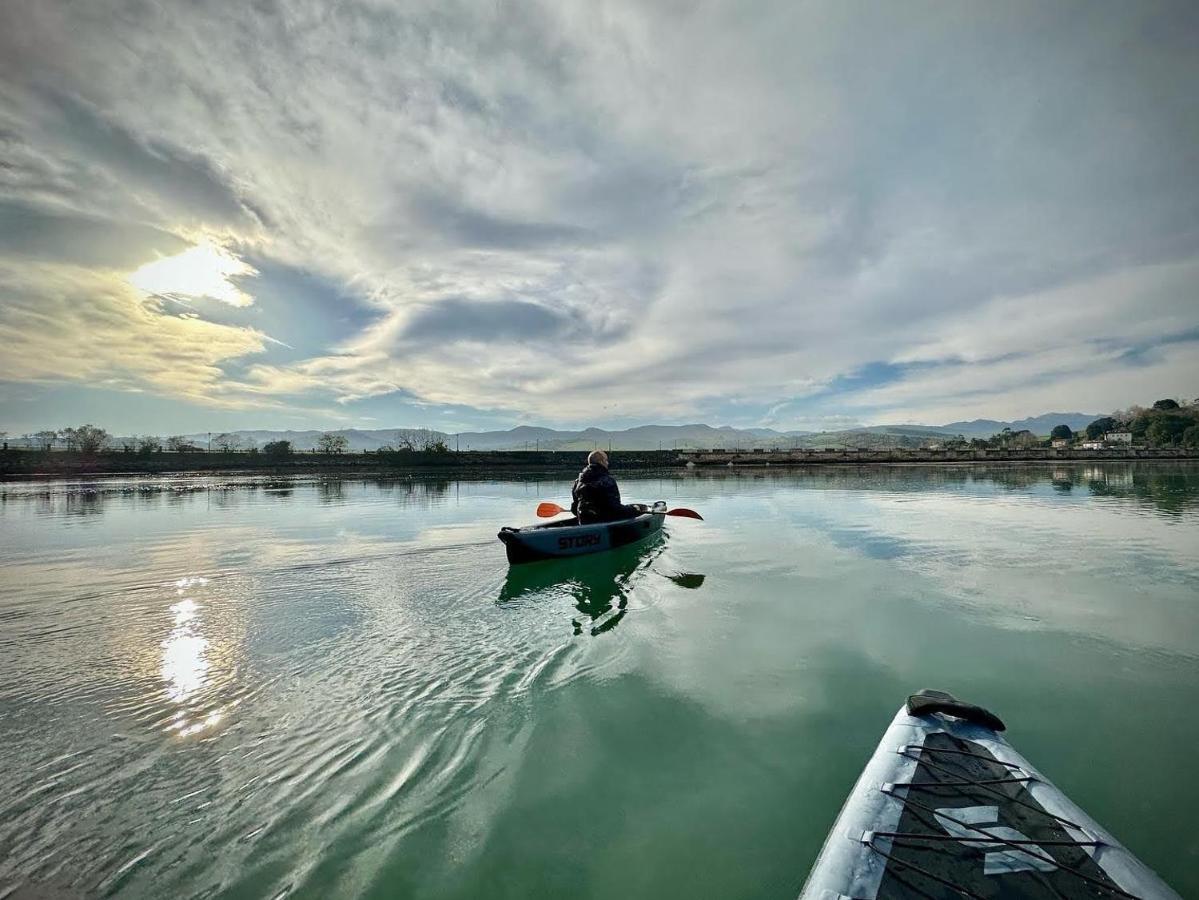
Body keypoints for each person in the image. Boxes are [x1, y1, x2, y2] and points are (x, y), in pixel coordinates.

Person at [571, 450, 643, 524]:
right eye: (606, 460)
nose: (607, 463)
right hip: (604, 522)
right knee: (632, 511)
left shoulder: (578, 482)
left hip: (584, 521)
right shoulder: (606, 481)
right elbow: (615, 508)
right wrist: (633, 510)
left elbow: (574, 508)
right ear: (601, 461)